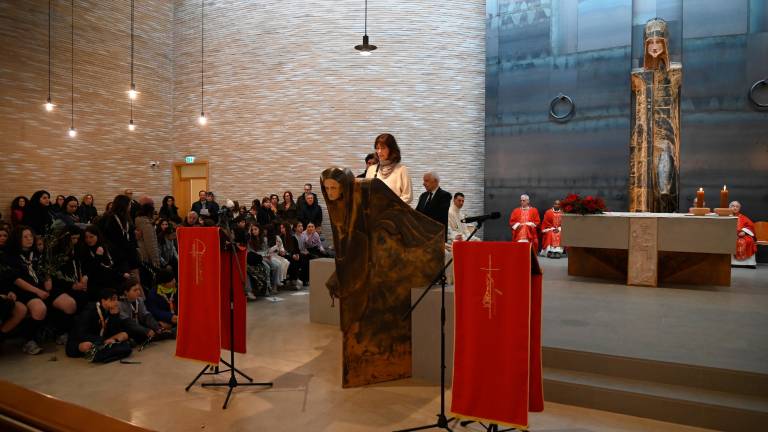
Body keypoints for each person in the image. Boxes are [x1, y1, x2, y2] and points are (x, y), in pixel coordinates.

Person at [65, 287, 131, 360]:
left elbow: (115, 332)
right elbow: (81, 334)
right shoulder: (90, 310)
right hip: (83, 340)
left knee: (124, 335)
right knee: (86, 346)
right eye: (113, 299)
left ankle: (104, 351)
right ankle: (104, 351)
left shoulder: (111, 310)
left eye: (117, 299)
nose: (116, 302)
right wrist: (103, 340)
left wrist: (114, 316)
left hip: (101, 339)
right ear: (103, 301)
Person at [365, 133, 413, 204]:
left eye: (383, 148)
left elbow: (408, 196)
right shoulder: (371, 170)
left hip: (395, 214)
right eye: (377, 148)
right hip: (375, 213)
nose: (379, 151)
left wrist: (389, 207)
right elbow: (366, 195)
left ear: (391, 149)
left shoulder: (402, 170)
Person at [119, 277, 161, 344]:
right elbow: (128, 323)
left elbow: (146, 315)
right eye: (135, 290)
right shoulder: (120, 304)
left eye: (139, 289)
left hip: (139, 327)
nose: (138, 292)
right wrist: (146, 331)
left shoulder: (139, 300)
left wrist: (156, 327)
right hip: (128, 329)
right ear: (126, 292)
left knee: (158, 327)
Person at [415, 171, 452, 238]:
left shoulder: (445, 196)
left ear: (435, 181)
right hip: (421, 236)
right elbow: (417, 213)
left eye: (426, 181)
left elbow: (439, 216)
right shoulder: (423, 196)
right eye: (423, 181)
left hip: (437, 237)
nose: (423, 183)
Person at [135, 196, 161, 271]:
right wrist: (156, 262)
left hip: (142, 254)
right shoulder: (146, 223)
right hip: (147, 256)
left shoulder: (138, 219)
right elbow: (151, 243)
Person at [730, 201, 757, 268]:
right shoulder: (726, 217)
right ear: (729, 207)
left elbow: (751, 226)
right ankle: (731, 262)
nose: (735, 208)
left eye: (737, 206)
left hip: (742, 235)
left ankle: (749, 263)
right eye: (733, 206)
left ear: (739, 208)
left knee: (748, 241)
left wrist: (744, 232)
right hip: (729, 236)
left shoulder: (743, 217)